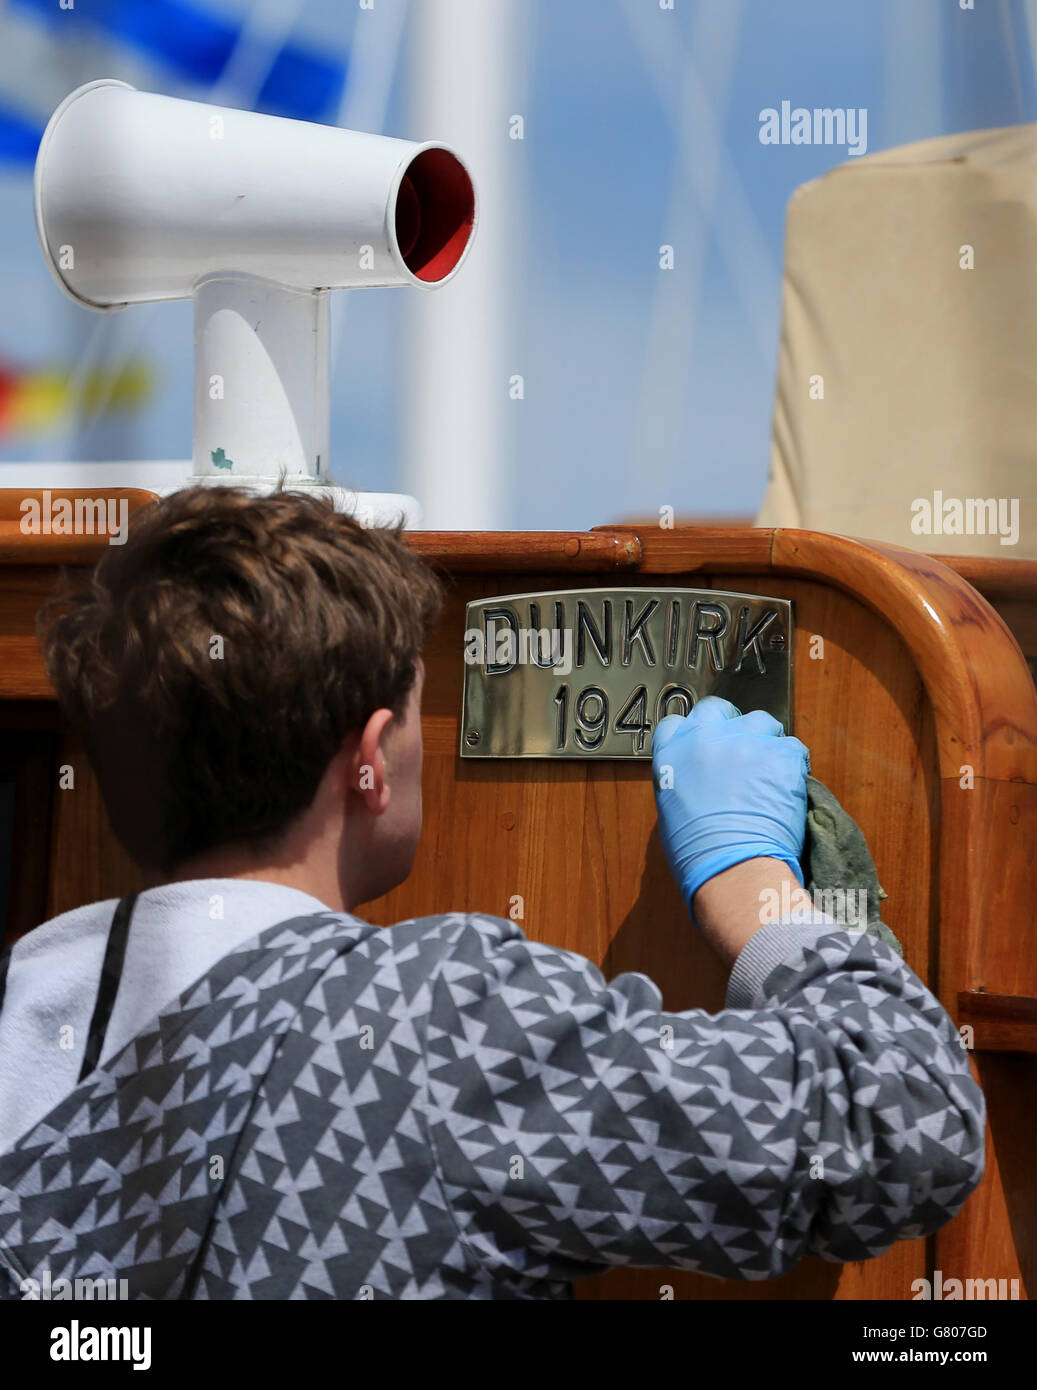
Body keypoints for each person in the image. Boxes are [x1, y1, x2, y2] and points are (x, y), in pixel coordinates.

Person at [0, 486, 984, 1301]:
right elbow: (898, 1127)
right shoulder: (442, 1021)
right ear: (367, 761)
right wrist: (748, 882)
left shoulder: (22, 998)